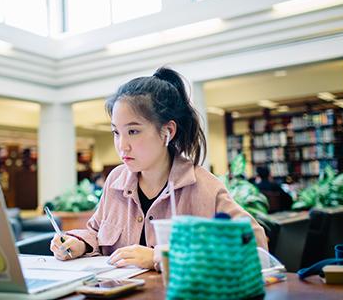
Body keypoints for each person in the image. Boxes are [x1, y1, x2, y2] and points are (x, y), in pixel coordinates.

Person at [50, 67, 267, 270]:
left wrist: (159, 257)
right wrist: (79, 243)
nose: (122, 145)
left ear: (167, 132)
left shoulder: (203, 187)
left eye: (133, 131)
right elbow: (95, 232)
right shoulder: (116, 180)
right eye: (116, 132)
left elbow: (255, 245)